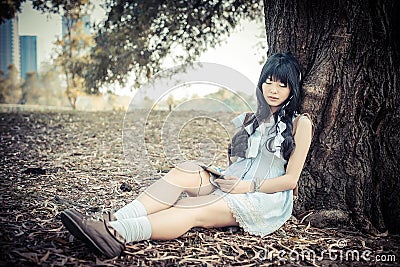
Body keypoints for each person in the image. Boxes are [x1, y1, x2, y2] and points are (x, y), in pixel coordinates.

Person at [60, 52, 313, 259]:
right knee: (186, 170)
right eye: (269, 81)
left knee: (190, 207)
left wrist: (247, 186)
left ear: (293, 89)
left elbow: (291, 180)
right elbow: (239, 164)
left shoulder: (300, 124)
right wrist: (225, 175)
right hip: (233, 184)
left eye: (283, 84)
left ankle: (116, 234)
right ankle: (112, 220)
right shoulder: (251, 120)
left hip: (262, 199)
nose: (274, 89)